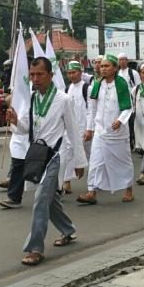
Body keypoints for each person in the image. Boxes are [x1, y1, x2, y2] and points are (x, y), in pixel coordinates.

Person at [5, 57, 87, 266]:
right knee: (50, 200)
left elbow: (73, 131)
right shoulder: (32, 98)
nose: (35, 79)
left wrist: (79, 161)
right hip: (37, 156)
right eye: (32, 75)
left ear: (50, 75)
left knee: (41, 198)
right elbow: (26, 128)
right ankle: (68, 230)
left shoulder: (63, 99)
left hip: (56, 156)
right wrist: (15, 121)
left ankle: (35, 248)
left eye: (40, 74)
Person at [78, 54, 135, 204]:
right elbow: (92, 109)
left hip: (117, 133)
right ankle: (91, 192)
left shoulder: (121, 84)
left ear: (115, 68)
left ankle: (128, 189)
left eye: (106, 66)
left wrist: (120, 120)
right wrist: (89, 129)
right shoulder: (97, 84)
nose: (103, 69)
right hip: (100, 131)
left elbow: (128, 107)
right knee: (95, 161)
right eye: (101, 66)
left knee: (123, 162)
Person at [59, 61, 92, 194]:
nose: (71, 75)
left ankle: (96, 181)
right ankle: (66, 182)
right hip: (71, 128)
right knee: (68, 153)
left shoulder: (87, 88)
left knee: (92, 155)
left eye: (74, 72)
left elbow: (91, 110)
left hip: (85, 128)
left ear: (80, 72)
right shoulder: (67, 89)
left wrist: (89, 129)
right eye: (69, 73)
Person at [117, 53, 140, 152]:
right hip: (120, 103)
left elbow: (139, 87)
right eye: (120, 60)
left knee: (132, 124)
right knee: (123, 123)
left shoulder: (133, 73)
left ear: (127, 61)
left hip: (132, 102)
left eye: (124, 59)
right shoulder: (117, 73)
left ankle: (133, 143)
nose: (122, 62)